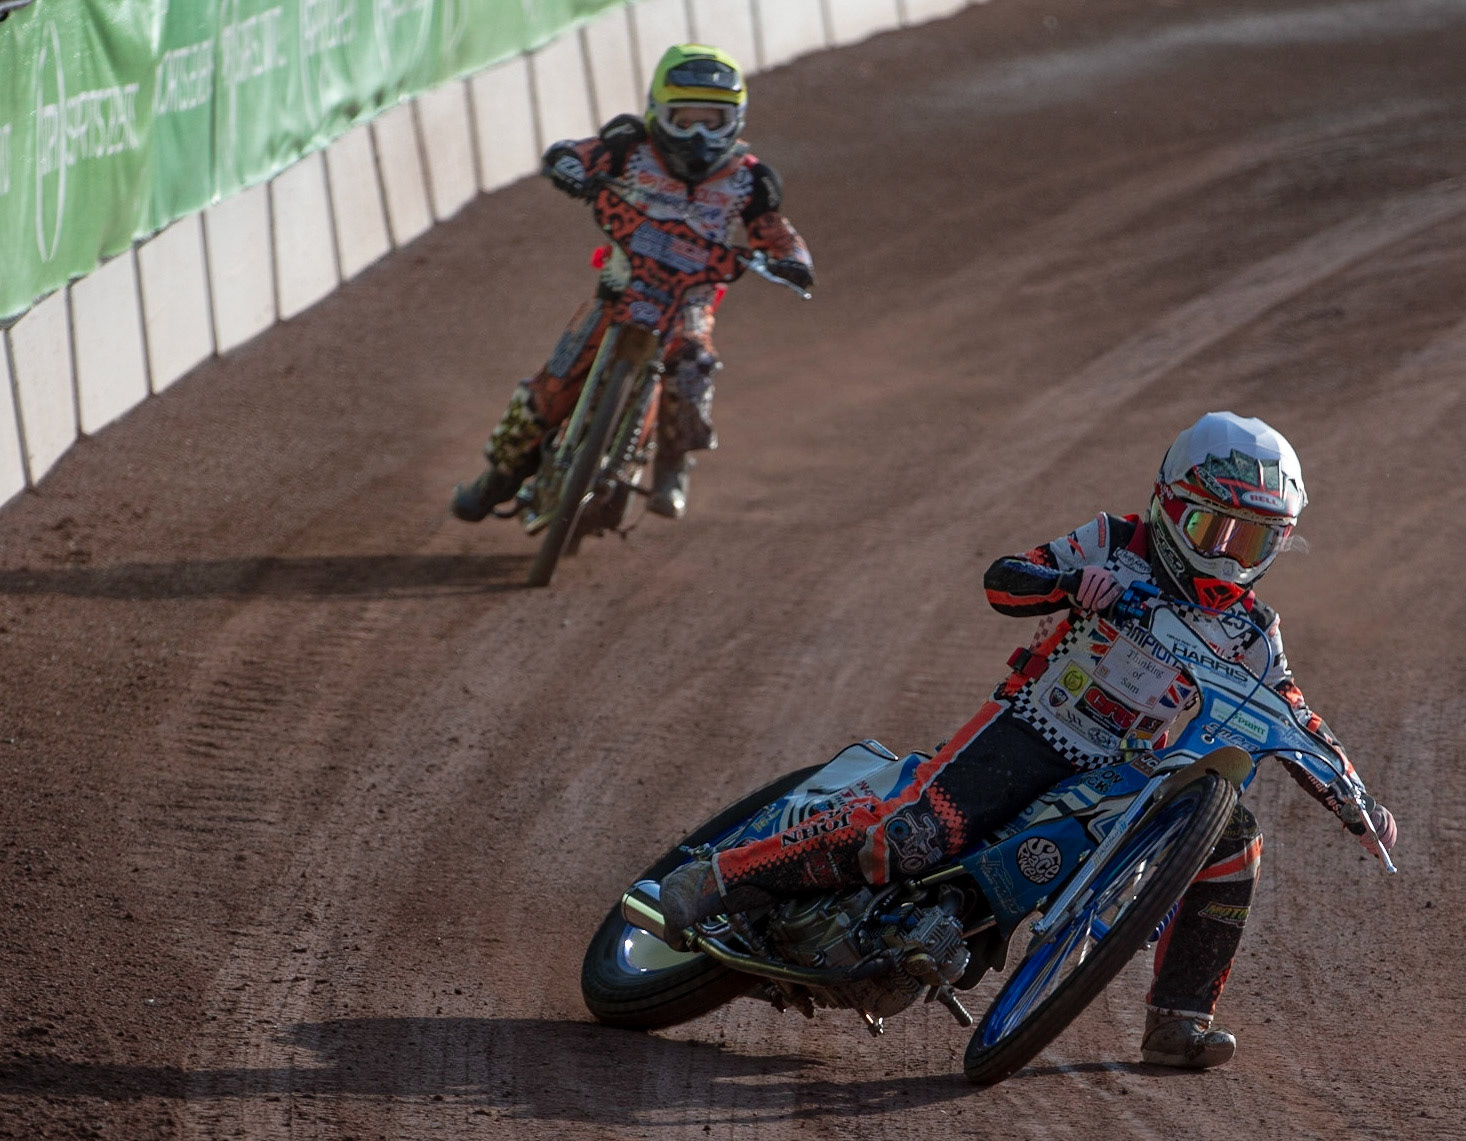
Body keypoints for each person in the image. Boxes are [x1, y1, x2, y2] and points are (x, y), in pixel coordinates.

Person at [658, 411, 1397, 1069]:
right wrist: (1072, 583)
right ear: (1171, 506)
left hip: (1125, 770)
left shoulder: (1251, 628)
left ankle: (1178, 1020)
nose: (1230, 556)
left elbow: (1292, 711)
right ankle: (718, 875)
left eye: (1255, 540)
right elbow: (1005, 578)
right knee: (913, 836)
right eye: (1214, 530)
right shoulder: (1117, 541)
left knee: (1233, 836)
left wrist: (1353, 794)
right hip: (1031, 729)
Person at [452, 44, 814, 523]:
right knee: (555, 382)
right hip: (623, 284)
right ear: (658, 112)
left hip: (690, 300)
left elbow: (774, 229)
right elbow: (579, 153)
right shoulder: (629, 145)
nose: (699, 134)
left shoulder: (750, 180)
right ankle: (497, 478)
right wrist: (569, 166)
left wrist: (791, 259)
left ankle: (672, 465)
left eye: (713, 120)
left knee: (693, 369)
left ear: (736, 120)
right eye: (685, 121)